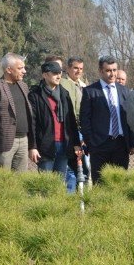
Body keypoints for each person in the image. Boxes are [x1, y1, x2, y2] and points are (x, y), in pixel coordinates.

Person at [79, 56, 134, 183]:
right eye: (108, 70)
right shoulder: (90, 91)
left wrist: (132, 143)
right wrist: (91, 142)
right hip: (100, 145)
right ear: (100, 71)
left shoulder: (125, 91)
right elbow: (85, 120)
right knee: (100, 182)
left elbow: (129, 118)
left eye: (114, 70)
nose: (112, 74)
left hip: (121, 144)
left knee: (120, 183)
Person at [0, 53, 36, 172]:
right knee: (2, 182)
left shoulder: (24, 86)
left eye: (24, 68)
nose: (24, 71)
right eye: (20, 68)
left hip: (24, 140)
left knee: (20, 181)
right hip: (4, 142)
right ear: (8, 69)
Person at [28, 61, 81, 175]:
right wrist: (33, 146)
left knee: (59, 182)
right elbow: (32, 123)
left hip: (64, 145)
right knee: (46, 184)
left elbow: (71, 120)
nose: (58, 76)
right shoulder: (35, 94)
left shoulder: (64, 93)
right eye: (55, 73)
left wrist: (76, 143)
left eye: (60, 73)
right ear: (45, 75)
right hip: (46, 145)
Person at [61, 56, 90, 191]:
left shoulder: (84, 85)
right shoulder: (62, 84)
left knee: (84, 169)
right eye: (75, 68)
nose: (78, 71)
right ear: (68, 68)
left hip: (82, 130)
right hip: (69, 130)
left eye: (81, 69)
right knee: (71, 171)